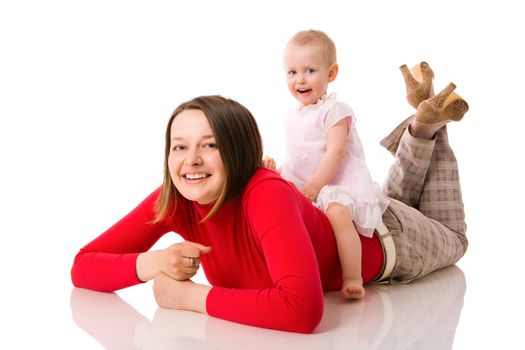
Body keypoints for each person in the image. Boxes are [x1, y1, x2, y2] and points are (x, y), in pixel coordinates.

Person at [71, 64, 469, 333]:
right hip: (354, 216)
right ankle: (423, 126)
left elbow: (302, 311)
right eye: (179, 147)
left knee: (452, 235)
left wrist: (193, 297)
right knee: (392, 197)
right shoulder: (174, 198)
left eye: (209, 145)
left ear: (239, 153)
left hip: (393, 244)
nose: (190, 161)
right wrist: (152, 262)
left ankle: (424, 126)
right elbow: (83, 267)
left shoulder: (265, 194)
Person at [263, 30, 389, 299]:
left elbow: (335, 152)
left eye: (310, 70)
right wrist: (278, 175)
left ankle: (352, 275)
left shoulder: (335, 111)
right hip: (304, 180)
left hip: (335, 181)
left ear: (331, 73)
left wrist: (315, 186)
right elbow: (300, 155)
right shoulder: (291, 115)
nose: (300, 80)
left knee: (338, 214)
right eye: (292, 72)